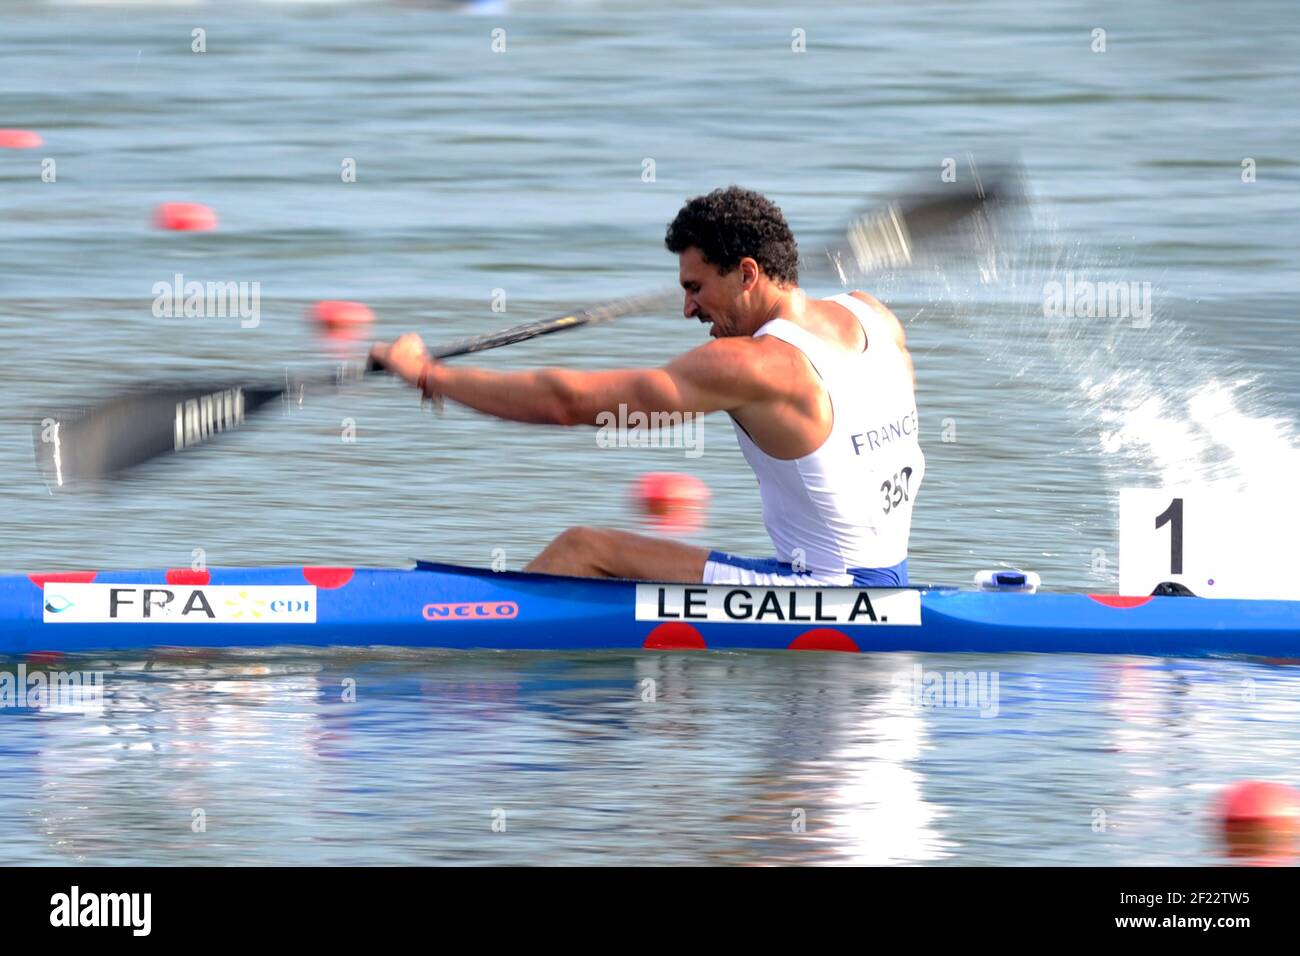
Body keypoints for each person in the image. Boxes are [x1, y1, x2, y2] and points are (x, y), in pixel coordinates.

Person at [369, 186, 924, 585]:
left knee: (582, 550)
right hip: (889, 578)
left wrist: (428, 373)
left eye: (696, 287)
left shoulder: (752, 365)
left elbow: (567, 404)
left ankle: (478, 675)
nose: (688, 309)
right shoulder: (873, 315)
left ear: (748, 273)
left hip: (829, 594)